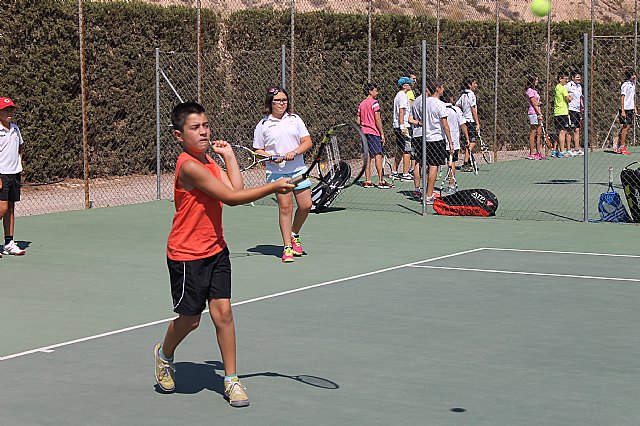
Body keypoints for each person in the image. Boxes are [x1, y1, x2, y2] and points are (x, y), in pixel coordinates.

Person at [155, 102, 294, 407]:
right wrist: (273, 187)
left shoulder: (206, 159)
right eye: (195, 128)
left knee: (224, 314)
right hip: (186, 254)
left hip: (216, 249)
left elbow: (235, 185)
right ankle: (164, 354)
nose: (203, 131)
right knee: (190, 321)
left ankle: (231, 379)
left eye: (205, 125)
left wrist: (229, 156)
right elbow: (232, 199)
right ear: (179, 136)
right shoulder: (189, 166)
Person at [253, 86, 313, 263]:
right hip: (277, 173)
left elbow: (307, 141)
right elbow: (257, 150)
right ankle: (287, 246)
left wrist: (294, 152)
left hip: (298, 170)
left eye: (284, 100)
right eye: (278, 100)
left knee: (306, 205)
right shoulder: (263, 125)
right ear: (270, 103)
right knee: (285, 208)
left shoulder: (295, 120)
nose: (281, 103)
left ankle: (294, 233)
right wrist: (271, 157)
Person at [0, 97, 26, 257]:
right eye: (5, 109)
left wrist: (19, 165)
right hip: (1, 175)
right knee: (1, 208)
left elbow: (20, 148)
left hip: (14, 174)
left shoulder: (15, 129)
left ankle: (9, 243)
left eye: (11, 109)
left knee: (10, 209)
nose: (9, 112)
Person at [423, 79, 454, 204]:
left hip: (425, 139)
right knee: (433, 167)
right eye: (442, 87)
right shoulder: (440, 104)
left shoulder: (425, 102)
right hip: (436, 139)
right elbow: (445, 125)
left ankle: (425, 193)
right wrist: (451, 142)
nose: (443, 90)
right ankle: (428, 196)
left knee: (427, 166)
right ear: (437, 88)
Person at [357, 82, 392, 189]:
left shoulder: (361, 104)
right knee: (378, 156)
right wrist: (382, 133)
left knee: (367, 156)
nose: (377, 92)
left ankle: (368, 181)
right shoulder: (375, 103)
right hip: (373, 133)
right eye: (375, 90)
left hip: (364, 133)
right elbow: (378, 119)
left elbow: (358, 121)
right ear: (370, 91)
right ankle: (381, 181)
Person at [442, 89, 469, 191]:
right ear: (452, 99)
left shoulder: (440, 109)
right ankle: (451, 186)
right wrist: (467, 138)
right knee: (451, 162)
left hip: (440, 140)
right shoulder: (457, 110)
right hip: (452, 142)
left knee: (434, 164)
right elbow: (463, 125)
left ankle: (428, 188)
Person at [392, 76, 415, 181]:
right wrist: (402, 126)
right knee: (407, 150)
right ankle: (405, 174)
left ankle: (394, 172)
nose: (411, 85)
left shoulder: (401, 95)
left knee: (401, 149)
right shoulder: (402, 96)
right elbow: (401, 111)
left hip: (401, 125)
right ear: (404, 85)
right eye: (409, 83)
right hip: (403, 126)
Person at [553, 72, 573, 158]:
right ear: (560, 79)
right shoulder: (562, 88)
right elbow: (568, 98)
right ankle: (562, 151)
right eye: (565, 79)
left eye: (567, 79)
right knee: (563, 132)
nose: (566, 81)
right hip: (562, 112)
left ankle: (555, 151)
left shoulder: (557, 87)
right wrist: (570, 97)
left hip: (557, 112)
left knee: (559, 132)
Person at [617, 69, 636, 155]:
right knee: (625, 127)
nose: (634, 76)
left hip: (630, 108)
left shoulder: (633, 85)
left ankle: (619, 146)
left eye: (635, 74)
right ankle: (621, 147)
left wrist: (635, 107)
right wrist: (623, 110)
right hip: (625, 108)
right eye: (633, 75)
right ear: (629, 76)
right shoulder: (625, 85)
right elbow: (622, 97)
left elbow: (633, 97)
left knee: (627, 126)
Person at [525, 75, 545, 160]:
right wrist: (539, 113)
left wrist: (539, 111)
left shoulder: (535, 91)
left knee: (539, 133)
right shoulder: (529, 90)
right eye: (535, 80)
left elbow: (537, 103)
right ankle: (531, 153)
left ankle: (539, 152)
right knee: (533, 132)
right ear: (531, 81)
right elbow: (534, 103)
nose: (537, 81)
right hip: (533, 113)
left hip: (538, 112)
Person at [565, 71, 584, 156]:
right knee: (570, 129)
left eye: (579, 77)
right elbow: (563, 94)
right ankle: (568, 149)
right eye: (577, 77)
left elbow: (580, 98)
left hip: (578, 110)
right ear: (572, 78)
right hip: (571, 109)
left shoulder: (579, 86)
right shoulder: (569, 85)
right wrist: (568, 99)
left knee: (577, 129)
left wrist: (582, 107)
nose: (579, 79)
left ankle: (577, 149)